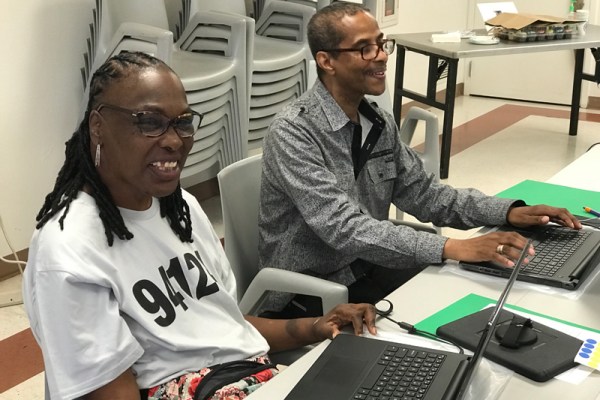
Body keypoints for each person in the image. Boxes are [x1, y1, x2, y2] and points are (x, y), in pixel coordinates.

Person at [22, 51, 377, 400]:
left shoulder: (181, 209)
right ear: (98, 125)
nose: (175, 140)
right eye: (149, 122)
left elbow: (224, 325)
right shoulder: (70, 249)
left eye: (183, 122)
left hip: (252, 376)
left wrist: (313, 326)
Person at [257, 2, 582, 317]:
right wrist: (452, 248)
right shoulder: (294, 132)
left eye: (382, 44)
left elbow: (427, 196)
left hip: (369, 268)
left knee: (482, 294)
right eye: (365, 48)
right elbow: (342, 228)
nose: (382, 56)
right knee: (450, 314)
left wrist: (509, 211)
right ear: (327, 61)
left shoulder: (377, 122)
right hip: (311, 294)